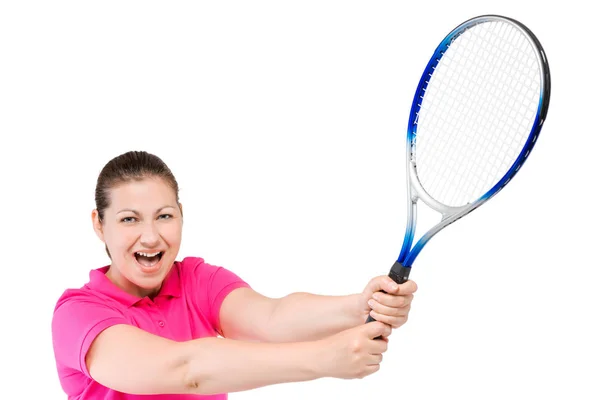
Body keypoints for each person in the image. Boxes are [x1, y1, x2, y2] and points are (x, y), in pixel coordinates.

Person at [51, 150, 418, 399]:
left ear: (181, 214)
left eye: (164, 216)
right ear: (99, 224)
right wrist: (323, 359)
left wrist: (360, 305)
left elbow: (273, 318)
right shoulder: (78, 314)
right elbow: (186, 369)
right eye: (129, 219)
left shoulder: (196, 279)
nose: (151, 236)